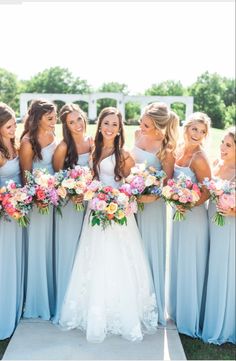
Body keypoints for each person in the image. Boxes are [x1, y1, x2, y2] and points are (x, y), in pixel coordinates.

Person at [59, 107, 158, 342]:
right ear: (100, 124)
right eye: (106, 123)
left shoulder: (122, 154)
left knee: (117, 258)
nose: (110, 128)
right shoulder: (94, 149)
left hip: (117, 214)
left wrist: (118, 199)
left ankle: (121, 311)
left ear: (120, 128)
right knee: (94, 258)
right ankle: (94, 311)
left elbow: (130, 185)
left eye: (115, 124)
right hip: (95, 211)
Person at [131, 102, 179, 326]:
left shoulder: (166, 149)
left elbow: (167, 184)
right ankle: (131, 305)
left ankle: (152, 308)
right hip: (130, 203)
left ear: (158, 126)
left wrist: (150, 194)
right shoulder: (136, 134)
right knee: (130, 252)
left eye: (146, 124)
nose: (141, 125)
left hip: (152, 206)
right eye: (142, 120)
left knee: (149, 251)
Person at [167, 112, 211, 338]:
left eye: (202, 131)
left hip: (193, 217)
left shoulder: (200, 158)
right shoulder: (178, 151)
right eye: (195, 129)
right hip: (178, 215)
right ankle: (177, 310)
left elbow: (206, 192)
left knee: (191, 262)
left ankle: (191, 316)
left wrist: (188, 202)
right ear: (187, 128)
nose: (198, 134)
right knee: (179, 259)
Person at [52, 103, 93, 323]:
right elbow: (58, 177)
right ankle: (64, 303)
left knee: (86, 252)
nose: (77, 125)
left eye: (79, 119)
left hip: (88, 204)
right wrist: (71, 193)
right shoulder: (63, 146)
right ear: (66, 125)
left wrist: (87, 191)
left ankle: (83, 303)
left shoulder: (92, 142)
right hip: (70, 206)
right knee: (69, 251)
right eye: (71, 122)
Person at [19, 99, 57, 320]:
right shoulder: (28, 142)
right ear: (37, 118)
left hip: (54, 199)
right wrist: (38, 197)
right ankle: (36, 302)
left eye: (55, 117)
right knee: (38, 246)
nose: (54, 121)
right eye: (50, 118)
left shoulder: (53, 136)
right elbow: (26, 176)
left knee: (50, 246)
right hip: (38, 202)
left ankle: (50, 297)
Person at [201, 127, 235, 345]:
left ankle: (224, 323)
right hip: (211, 221)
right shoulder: (215, 164)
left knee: (224, 269)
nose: (222, 147)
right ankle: (209, 315)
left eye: (229, 145)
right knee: (211, 266)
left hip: (228, 226)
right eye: (222, 142)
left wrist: (233, 211)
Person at [0, 103, 24, 339]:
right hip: (4, 214)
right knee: (4, 262)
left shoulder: (15, 145)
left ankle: (15, 310)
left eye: (14, 124)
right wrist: (7, 201)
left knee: (15, 259)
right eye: (8, 126)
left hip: (17, 211)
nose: (13, 129)